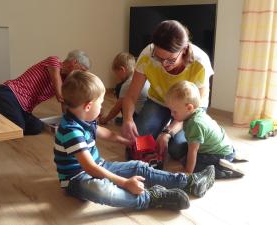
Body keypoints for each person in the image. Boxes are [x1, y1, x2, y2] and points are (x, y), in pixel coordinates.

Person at [53, 70, 215, 211]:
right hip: (77, 179)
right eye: (101, 103)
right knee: (102, 190)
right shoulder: (70, 130)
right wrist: (124, 183)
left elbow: (106, 134)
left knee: (138, 166)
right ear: (88, 106)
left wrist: (125, 141)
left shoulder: (85, 120)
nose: (102, 108)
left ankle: (188, 181)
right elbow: (90, 168)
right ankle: (151, 198)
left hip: (99, 166)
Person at [121, 20, 214, 161]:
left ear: (184, 50)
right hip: (159, 101)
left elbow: (194, 109)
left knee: (177, 149)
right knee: (138, 141)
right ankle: (161, 130)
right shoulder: (148, 55)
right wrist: (127, 119)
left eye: (170, 59)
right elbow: (131, 95)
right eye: (159, 58)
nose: (164, 64)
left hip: (189, 110)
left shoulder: (200, 62)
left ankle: (208, 133)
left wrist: (167, 132)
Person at [0, 50, 90, 135]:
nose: (81, 74)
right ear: (74, 62)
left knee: (37, 127)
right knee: (18, 128)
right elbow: (60, 96)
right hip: (8, 94)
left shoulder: (64, 80)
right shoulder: (54, 61)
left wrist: (68, 121)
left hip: (24, 108)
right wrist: (71, 78)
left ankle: (4, 114)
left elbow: (64, 102)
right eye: (82, 70)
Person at [165, 80, 244, 179]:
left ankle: (225, 169)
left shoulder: (195, 124)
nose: (171, 114)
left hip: (218, 154)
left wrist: (188, 172)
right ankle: (231, 156)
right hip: (225, 148)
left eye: (174, 111)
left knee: (190, 163)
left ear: (189, 108)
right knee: (182, 154)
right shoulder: (197, 112)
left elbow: (193, 151)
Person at [99, 52, 149, 125]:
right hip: (146, 115)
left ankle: (127, 121)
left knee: (120, 91)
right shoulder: (142, 77)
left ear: (122, 70)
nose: (116, 77)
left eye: (116, 73)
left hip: (139, 118)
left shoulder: (127, 84)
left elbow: (117, 108)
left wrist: (105, 120)